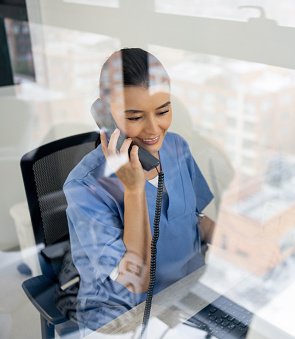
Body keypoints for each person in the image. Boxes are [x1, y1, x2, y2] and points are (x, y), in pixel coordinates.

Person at [63, 48, 215, 334]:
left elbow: (194, 218)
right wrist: (133, 191)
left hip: (184, 295)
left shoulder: (177, 148)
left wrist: (246, 244)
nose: (154, 129)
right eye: (135, 117)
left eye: (163, 111)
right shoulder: (84, 187)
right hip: (124, 319)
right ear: (103, 114)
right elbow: (136, 279)